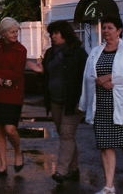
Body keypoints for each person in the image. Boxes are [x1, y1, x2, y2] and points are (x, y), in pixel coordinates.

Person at [79, 16, 123, 194]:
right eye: (104, 28)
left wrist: (112, 77)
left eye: (110, 28)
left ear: (119, 30)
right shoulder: (96, 52)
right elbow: (88, 75)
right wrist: (100, 81)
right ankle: (109, 186)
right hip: (103, 106)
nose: (106, 31)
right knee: (106, 145)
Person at [0, 17, 39, 178]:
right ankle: (3, 166)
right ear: (3, 33)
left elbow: (17, 73)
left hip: (12, 94)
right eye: (12, 32)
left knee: (10, 129)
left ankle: (18, 151)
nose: (15, 34)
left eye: (16, 31)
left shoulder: (21, 50)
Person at [32, 20, 88, 184]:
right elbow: (47, 76)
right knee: (66, 136)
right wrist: (40, 72)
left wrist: (82, 101)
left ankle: (61, 170)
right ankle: (74, 169)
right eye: (51, 34)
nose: (53, 36)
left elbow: (86, 79)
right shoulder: (50, 53)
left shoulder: (78, 53)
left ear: (65, 34)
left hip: (72, 102)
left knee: (66, 134)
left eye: (56, 33)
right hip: (55, 101)